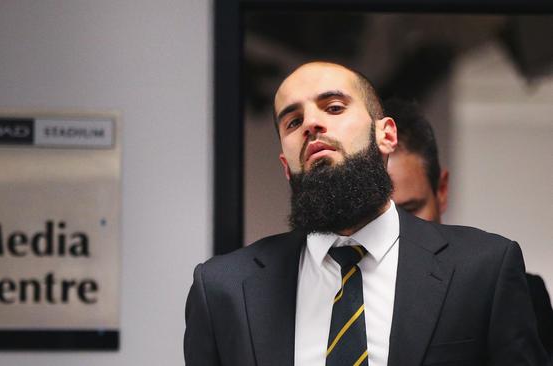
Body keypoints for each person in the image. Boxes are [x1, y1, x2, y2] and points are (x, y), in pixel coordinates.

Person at [184, 61, 548, 366]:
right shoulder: (223, 289)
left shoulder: (483, 269)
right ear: (285, 165)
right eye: (293, 122)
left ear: (386, 135)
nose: (311, 123)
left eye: (334, 107)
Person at [385, 97, 553, 357]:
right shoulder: (332, 296)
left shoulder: (517, 294)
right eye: (381, 216)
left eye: (410, 210)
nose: (398, 228)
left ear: (441, 190)